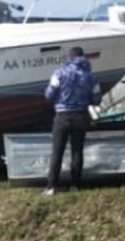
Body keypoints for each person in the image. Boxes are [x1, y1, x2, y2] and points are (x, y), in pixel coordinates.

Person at [42, 46, 102, 195]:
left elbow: (49, 94)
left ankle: (51, 187)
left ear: (70, 58)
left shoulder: (59, 73)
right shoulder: (90, 76)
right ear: (83, 58)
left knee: (57, 151)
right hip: (81, 116)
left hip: (62, 116)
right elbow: (96, 99)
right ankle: (75, 185)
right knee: (77, 151)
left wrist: (59, 98)